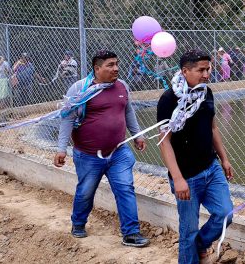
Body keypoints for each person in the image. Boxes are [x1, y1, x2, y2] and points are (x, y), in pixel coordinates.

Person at [53, 50, 150, 247]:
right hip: (88, 155)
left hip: (118, 153)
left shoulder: (122, 86)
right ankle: (78, 223)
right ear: (97, 69)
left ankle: (131, 233)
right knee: (86, 191)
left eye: (117, 64)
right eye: (110, 65)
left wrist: (137, 135)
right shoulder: (80, 88)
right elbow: (67, 118)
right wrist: (61, 148)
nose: (116, 68)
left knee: (125, 188)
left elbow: (128, 110)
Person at [157, 49, 234, 263]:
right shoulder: (169, 99)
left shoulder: (206, 93)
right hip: (187, 176)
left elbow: (213, 128)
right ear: (185, 71)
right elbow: (164, 142)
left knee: (226, 214)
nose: (206, 74)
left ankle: (201, 244)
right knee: (188, 231)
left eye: (208, 69)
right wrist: (179, 179)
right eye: (201, 70)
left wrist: (224, 159)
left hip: (211, 168)